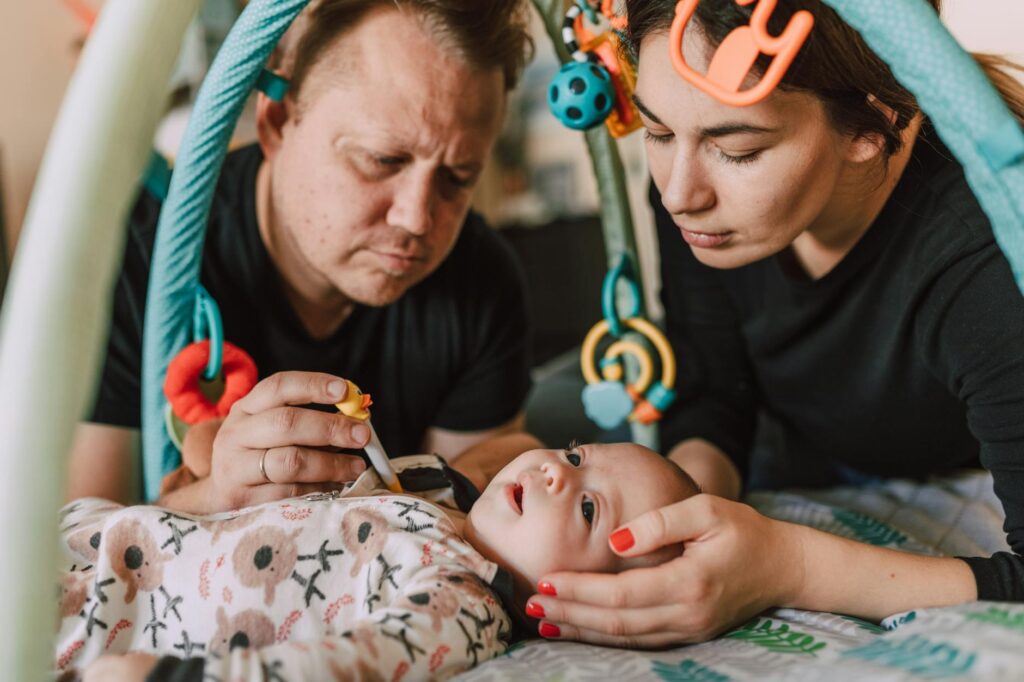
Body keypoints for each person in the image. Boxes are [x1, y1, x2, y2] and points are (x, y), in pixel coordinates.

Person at [523, 0, 1024, 648]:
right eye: (658, 132)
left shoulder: (983, 257)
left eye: (738, 150)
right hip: (791, 427)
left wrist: (786, 565)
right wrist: (669, 526)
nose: (679, 193)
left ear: (873, 124)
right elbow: (712, 385)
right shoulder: (700, 196)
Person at [67, 0, 541, 513]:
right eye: (381, 160)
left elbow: (461, 530)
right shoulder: (137, 257)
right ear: (276, 122)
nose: (417, 219)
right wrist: (213, 500)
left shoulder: (481, 280)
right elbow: (76, 561)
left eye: (458, 178)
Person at [55, 442, 698, 681]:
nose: (556, 471)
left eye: (589, 510)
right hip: (90, 538)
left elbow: (350, 665)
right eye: (577, 455)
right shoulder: (437, 491)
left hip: (100, 630)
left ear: (585, 601)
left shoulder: (462, 600)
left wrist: (172, 679)